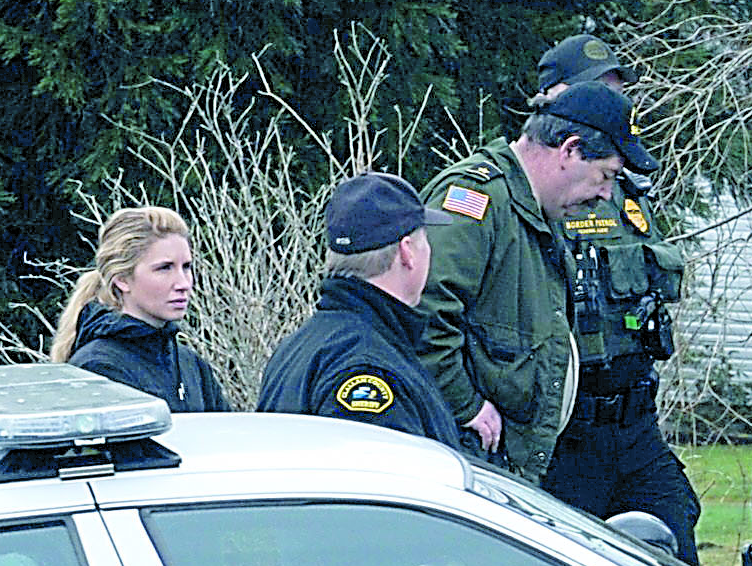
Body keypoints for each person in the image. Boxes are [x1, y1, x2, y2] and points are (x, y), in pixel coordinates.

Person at [413, 83, 656, 486]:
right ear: (571, 150)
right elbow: (421, 313)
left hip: (508, 462)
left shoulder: (540, 212)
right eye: (606, 175)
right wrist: (466, 407)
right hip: (467, 461)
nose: (607, 194)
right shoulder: (477, 201)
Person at [529, 36, 704, 565]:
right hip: (567, 432)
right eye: (595, 89)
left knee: (676, 556)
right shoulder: (531, 188)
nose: (611, 102)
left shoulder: (626, 192)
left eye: (615, 89)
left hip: (633, 421)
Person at [257, 173, 464, 445]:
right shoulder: (368, 369)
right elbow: (386, 484)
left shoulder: (301, 344)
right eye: (425, 240)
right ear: (407, 252)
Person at [51, 205, 230, 411]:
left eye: (186, 267)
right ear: (122, 280)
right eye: (164, 268)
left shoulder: (190, 365)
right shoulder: (98, 368)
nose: (183, 283)